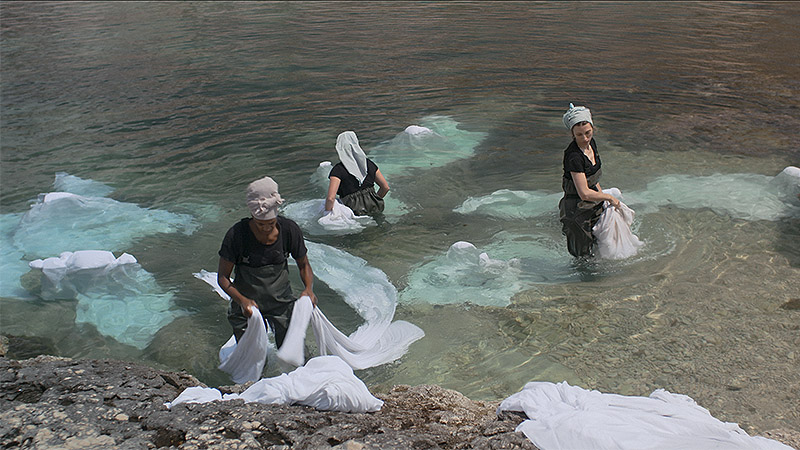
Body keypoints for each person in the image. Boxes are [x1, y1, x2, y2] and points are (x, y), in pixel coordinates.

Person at [217, 176, 317, 349]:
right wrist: (242, 301)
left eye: (271, 223)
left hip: (281, 303)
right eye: (260, 224)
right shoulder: (237, 235)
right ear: (252, 217)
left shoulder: (289, 230)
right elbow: (223, 278)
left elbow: (304, 265)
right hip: (247, 306)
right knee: (252, 359)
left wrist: (308, 289)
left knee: (295, 352)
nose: (266, 228)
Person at [558, 103, 621, 258]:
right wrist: (610, 197)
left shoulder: (591, 144)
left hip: (594, 203)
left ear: (593, 128)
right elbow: (585, 193)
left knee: (601, 246)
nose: (585, 138)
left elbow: (592, 180)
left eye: (588, 133)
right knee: (583, 256)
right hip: (577, 210)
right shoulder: (574, 157)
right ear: (572, 134)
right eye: (579, 135)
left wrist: (603, 201)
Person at [325, 131, 390, 216]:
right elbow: (385, 187)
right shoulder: (368, 164)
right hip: (376, 205)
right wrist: (374, 200)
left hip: (353, 210)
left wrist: (327, 213)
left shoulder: (338, 170)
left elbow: (330, 198)